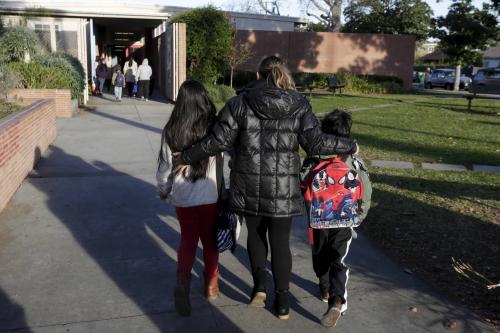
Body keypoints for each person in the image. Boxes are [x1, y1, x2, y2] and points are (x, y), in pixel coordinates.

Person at [176, 56, 358, 320]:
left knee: (255, 237)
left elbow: (218, 140)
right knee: (280, 243)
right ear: (282, 74)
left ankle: (259, 288)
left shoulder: (239, 103)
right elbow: (316, 143)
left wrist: (187, 156)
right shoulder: (299, 104)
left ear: (259, 75)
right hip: (283, 189)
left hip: (248, 185)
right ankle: (282, 303)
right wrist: (350, 145)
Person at [300, 110, 371, 328]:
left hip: (319, 219)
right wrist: (359, 216)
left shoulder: (314, 158)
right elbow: (365, 188)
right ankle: (337, 300)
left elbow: (303, 184)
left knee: (320, 255)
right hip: (345, 220)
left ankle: (324, 287)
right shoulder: (352, 160)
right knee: (338, 260)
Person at [156, 80, 221, 317]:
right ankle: (211, 285)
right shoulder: (213, 128)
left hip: (184, 197)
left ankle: (183, 283)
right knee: (210, 241)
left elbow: (165, 165)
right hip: (210, 194)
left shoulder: (171, 129)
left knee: (188, 240)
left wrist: (164, 189)